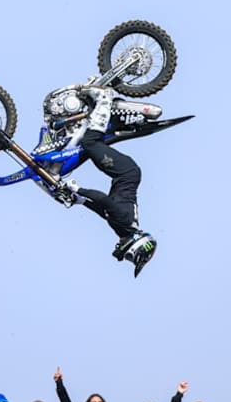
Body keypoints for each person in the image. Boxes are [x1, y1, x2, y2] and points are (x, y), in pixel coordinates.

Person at [58, 86, 157, 276]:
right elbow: (104, 200)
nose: (124, 254)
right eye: (130, 257)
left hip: (124, 175)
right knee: (90, 143)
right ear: (137, 246)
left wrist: (81, 201)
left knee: (88, 148)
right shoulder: (125, 223)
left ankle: (88, 113)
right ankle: (104, 99)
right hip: (126, 172)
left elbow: (102, 210)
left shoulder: (123, 228)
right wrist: (78, 189)